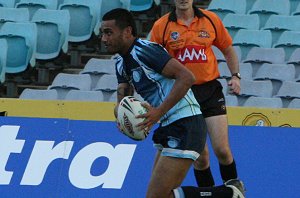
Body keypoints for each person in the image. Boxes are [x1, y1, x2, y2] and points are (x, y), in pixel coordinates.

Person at [100, 8, 245, 198]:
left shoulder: (145, 51)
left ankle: (226, 193)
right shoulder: (121, 62)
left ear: (127, 32)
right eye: (102, 33)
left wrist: (158, 112)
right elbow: (124, 93)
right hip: (170, 125)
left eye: (108, 33)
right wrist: (121, 116)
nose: (103, 39)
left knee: (156, 196)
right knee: (159, 195)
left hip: (186, 124)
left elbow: (186, 77)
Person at [150, 0, 243, 188]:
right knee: (200, 158)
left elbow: (227, 49)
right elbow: (151, 60)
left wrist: (235, 76)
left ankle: (234, 190)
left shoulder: (210, 19)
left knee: (222, 150)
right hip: (182, 96)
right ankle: (208, 193)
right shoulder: (162, 25)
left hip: (209, 90)